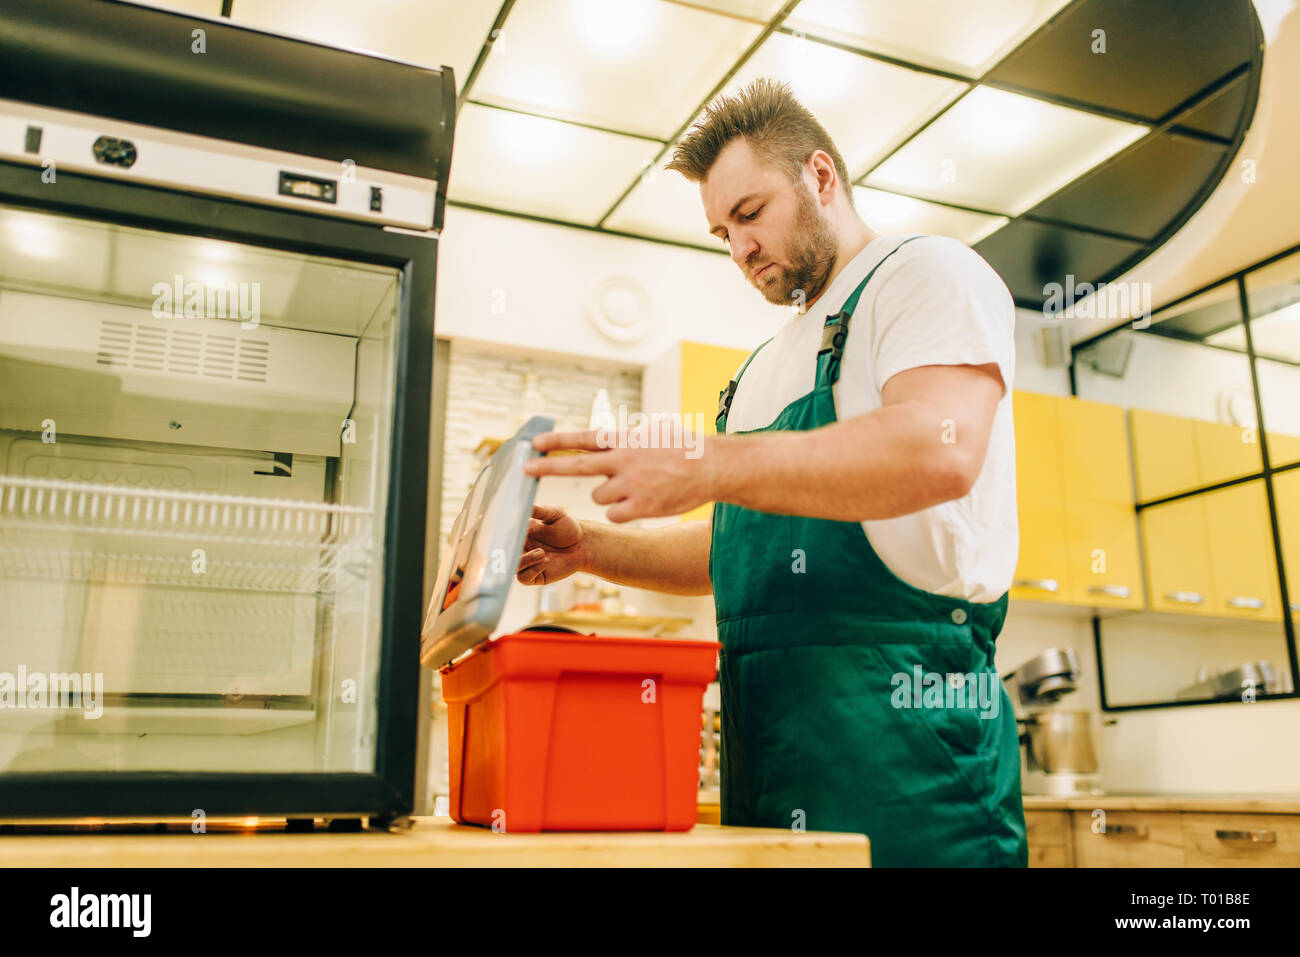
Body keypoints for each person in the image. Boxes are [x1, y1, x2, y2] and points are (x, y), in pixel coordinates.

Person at [516, 78, 1026, 867]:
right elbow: (741, 551)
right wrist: (589, 549)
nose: (739, 249)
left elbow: (939, 447)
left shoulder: (926, 275)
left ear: (820, 178)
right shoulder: (759, 370)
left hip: (912, 767)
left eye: (750, 215)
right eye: (722, 231)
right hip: (768, 774)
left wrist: (709, 460)